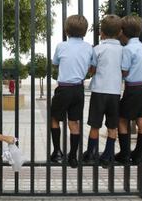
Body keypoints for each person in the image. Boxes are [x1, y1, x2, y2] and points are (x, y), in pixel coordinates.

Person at [50, 15, 94, 168]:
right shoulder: (89, 47)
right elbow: (92, 66)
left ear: (66, 30)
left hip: (64, 88)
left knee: (54, 119)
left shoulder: (61, 46)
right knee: (74, 122)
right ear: (85, 31)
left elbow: (55, 63)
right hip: (78, 89)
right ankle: (73, 156)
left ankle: (57, 152)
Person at [82, 14, 123, 168]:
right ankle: (108, 156)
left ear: (101, 32)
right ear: (120, 32)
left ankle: (91, 153)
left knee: (95, 125)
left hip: (99, 91)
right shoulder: (123, 50)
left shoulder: (98, 49)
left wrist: (93, 69)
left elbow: (92, 70)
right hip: (115, 93)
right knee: (112, 126)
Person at [114, 15, 142, 165]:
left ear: (122, 31)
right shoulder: (141, 46)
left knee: (121, 119)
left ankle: (124, 153)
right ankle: (137, 154)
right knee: (141, 121)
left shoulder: (128, 49)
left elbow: (124, 71)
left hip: (133, 90)